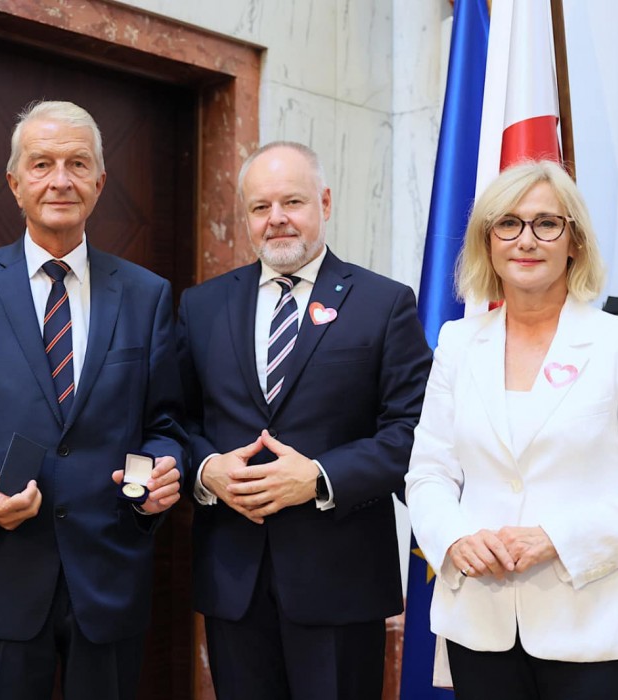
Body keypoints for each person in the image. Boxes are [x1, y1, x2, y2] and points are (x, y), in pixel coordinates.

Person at [0, 100, 187, 699]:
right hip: (2, 574)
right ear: (15, 183)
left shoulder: (146, 294)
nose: (60, 180)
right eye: (41, 164)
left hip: (111, 575)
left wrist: (163, 470)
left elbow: (166, 423)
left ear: (100, 182)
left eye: (77, 163)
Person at [405, 160, 618, 699]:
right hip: (480, 625)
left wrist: (557, 538)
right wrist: (455, 537)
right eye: (508, 224)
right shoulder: (458, 344)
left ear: (574, 242)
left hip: (596, 632)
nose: (526, 240)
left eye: (546, 223)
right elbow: (428, 474)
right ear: (487, 242)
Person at [176, 141, 432, 699]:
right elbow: (174, 421)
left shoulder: (384, 303)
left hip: (341, 581)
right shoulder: (202, 307)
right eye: (260, 207)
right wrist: (206, 470)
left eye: (292, 201)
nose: (276, 219)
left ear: (325, 202)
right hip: (234, 582)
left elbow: (411, 432)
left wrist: (319, 477)